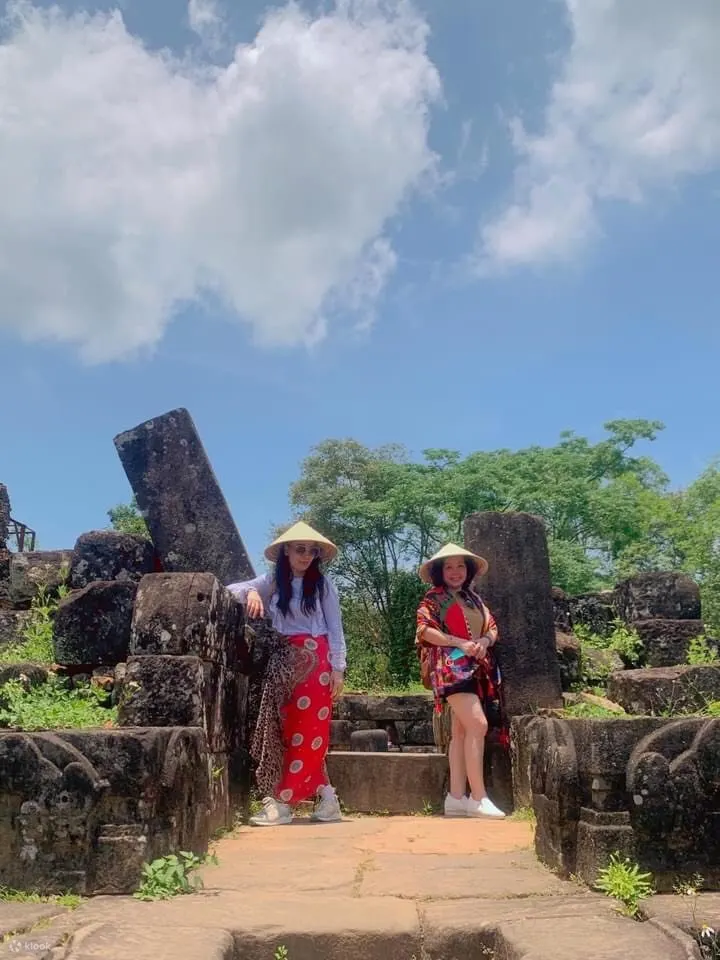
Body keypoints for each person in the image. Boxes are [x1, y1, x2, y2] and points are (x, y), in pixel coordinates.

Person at [227, 521, 346, 827]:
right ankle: (328, 798)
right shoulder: (274, 582)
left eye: (311, 551)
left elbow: (335, 629)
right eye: (300, 549)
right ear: (286, 552)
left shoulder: (322, 586)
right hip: (283, 664)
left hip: (316, 664)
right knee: (289, 731)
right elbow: (231, 590)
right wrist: (253, 592)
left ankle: (284, 801)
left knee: (309, 733)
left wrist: (338, 669)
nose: (306, 556)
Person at [415, 543, 508, 819]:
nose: (455, 572)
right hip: (450, 668)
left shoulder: (474, 599)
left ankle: (456, 797)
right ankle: (478, 797)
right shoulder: (433, 599)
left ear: (467, 571)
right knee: (478, 724)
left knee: (462, 731)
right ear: (439, 571)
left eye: (460, 566)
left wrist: (481, 641)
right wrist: (461, 643)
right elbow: (424, 630)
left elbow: (492, 628)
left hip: (476, 669)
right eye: (448, 566)